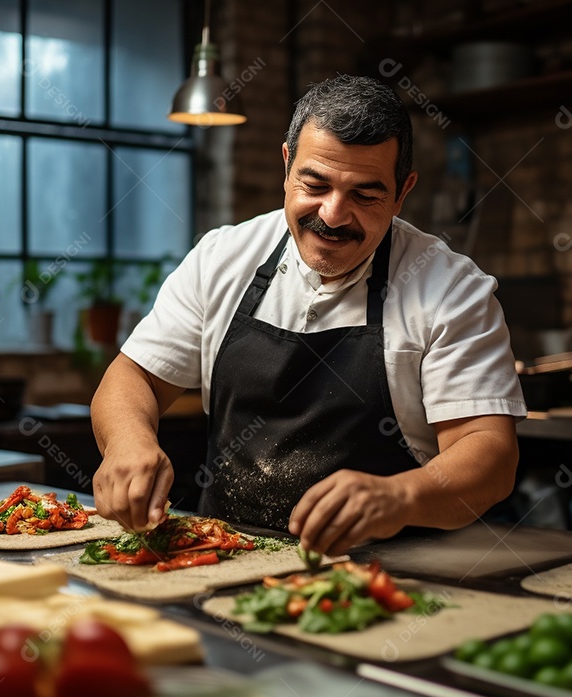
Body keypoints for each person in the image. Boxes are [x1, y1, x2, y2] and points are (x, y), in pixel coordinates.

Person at [91, 74, 526, 556]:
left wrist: (400, 496)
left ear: (403, 192)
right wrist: (127, 442)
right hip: (221, 557)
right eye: (314, 184)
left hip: (384, 576)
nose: (334, 214)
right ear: (286, 164)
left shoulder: (451, 288)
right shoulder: (222, 257)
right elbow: (134, 377)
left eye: (366, 194)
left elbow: (490, 454)